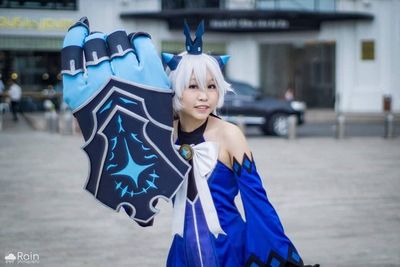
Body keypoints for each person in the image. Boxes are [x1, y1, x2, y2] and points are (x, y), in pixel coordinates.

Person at [163, 22, 318, 267]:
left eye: (211, 86)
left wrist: (280, 258)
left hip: (230, 251)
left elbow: (257, 201)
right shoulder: (164, 135)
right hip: (182, 254)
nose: (204, 96)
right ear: (176, 89)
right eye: (193, 86)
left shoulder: (230, 135)